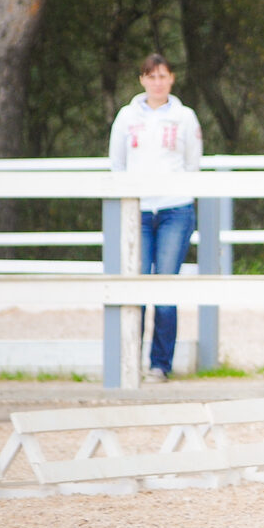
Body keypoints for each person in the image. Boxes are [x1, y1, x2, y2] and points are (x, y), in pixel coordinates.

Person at [108, 53, 202, 383]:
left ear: (172, 78)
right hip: (138, 212)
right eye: (151, 76)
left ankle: (160, 363)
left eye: (163, 76)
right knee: (134, 286)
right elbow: (117, 164)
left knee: (164, 287)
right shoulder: (126, 117)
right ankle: (129, 360)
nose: (157, 82)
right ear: (142, 80)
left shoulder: (185, 117)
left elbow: (193, 164)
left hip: (174, 209)